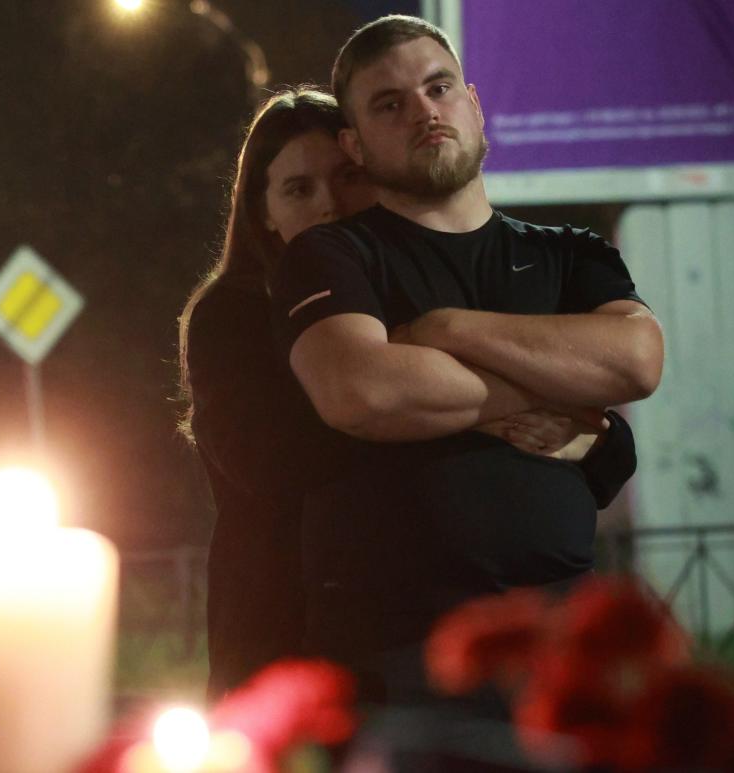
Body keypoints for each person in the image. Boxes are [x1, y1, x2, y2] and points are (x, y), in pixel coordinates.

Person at [180, 85, 638, 700]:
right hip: (290, 634)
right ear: (261, 212)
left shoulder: (427, 288)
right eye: (298, 189)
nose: (330, 204)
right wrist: (490, 406)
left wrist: (591, 430)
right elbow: (272, 457)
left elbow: (609, 454)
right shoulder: (236, 314)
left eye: (348, 176)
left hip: (457, 635)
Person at [269, 15, 663, 708]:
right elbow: (363, 391)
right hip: (397, 655)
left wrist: (445, 329)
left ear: (473, 105)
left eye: (438, 87)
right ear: (354, 144)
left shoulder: (570, 253)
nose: (423, 110)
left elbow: (636, 359)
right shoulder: (334, 256)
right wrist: (549, 392)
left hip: (561, 644)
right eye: (390, 104)